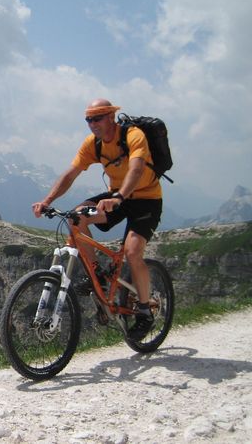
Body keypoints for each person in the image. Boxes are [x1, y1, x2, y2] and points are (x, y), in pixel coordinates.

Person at [32, 98, 163, 341]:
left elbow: (136, 169)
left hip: (146, 199)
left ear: (111, 116)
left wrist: (120, 197)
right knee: (76, 218)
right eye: (88, 120)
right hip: (116, 197)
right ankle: (99, 279)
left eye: (97, 118)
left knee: (133, 252)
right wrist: (47, 200)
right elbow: (70, 174)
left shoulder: (133, 136)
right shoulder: (93, 143)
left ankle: (145, 311)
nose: (92, 124)